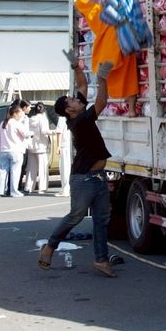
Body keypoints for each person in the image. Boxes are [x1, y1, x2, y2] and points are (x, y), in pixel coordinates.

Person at [37, 58, 116, 278]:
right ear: (69, 111)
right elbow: (102, 101)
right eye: (72, 100)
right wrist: (101, 78)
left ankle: (101, 260)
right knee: (75, 217)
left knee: (101, 220)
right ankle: (50, 246)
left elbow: (82, 86)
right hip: (85, 179)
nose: (77, 99)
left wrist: (75, 67)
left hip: (98, 177)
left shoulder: (78, 113)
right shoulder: (80, 121)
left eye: (74, 99)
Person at [69, 0, 139, 116]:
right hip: (121, 31)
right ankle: (132, 109)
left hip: (105, 42)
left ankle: (126, 105)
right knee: (129, 70)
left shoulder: (79, 3)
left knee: (111, 74)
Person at [0, 100, 29, 197]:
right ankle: (14, 191)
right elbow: (25, 133)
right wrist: (31, 133)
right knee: (15, 171)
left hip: (3, 151)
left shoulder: (3, 123)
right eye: (19, 113)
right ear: (15, 113)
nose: (20, 115)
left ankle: (0, 191)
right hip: (16, 151)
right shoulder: (16, 123)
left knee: (2, 171)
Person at [24, 102, 51, 194]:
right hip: (42, 147)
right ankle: (41, 188)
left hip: (32, 147)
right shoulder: (43, 119)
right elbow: (44, 131)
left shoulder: (31, 119)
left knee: (31, 168)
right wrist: (54, 132)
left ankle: (28, 187)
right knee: (42, 169)